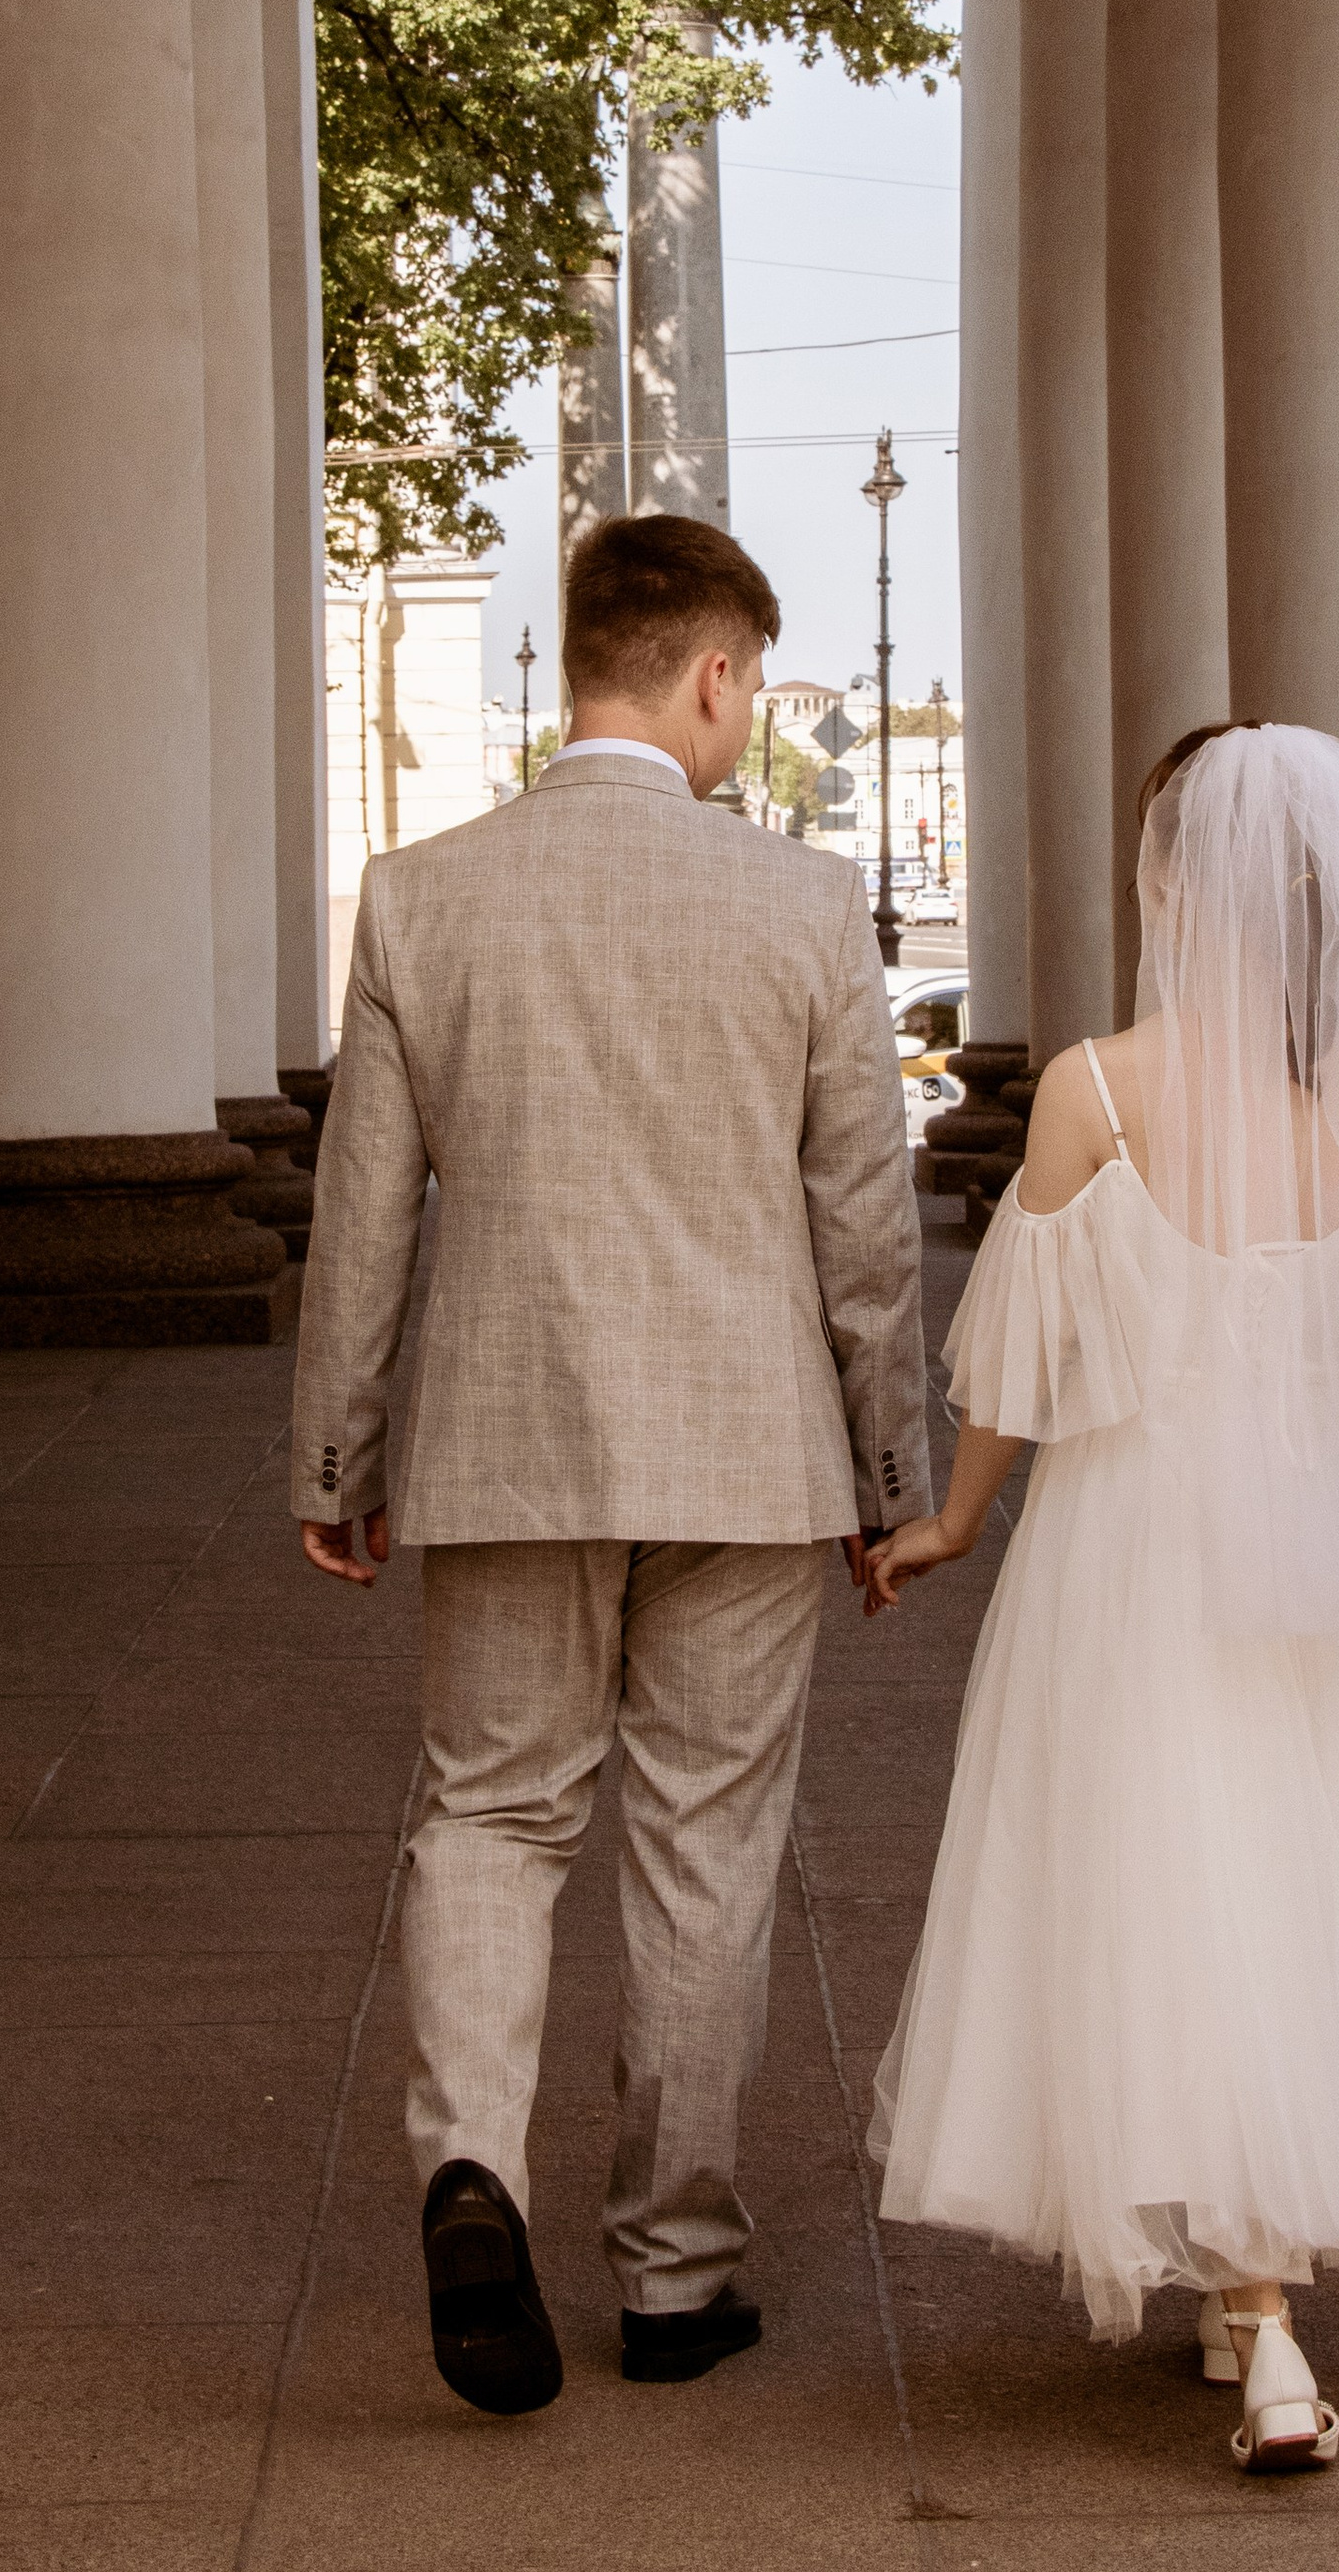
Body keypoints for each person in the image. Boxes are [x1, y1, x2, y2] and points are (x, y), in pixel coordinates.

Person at [864, 722, 1339, 2478]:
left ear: (1163, 881)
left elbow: (1028, 1373)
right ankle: (1245, 2280)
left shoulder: (1094, 1092)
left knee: (1177, 1882)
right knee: (1317, 1880)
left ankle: (1266, 2321)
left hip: (1142, 1542)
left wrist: (955, 1524)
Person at [293, 511, 930, 2418]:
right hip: (750, 1451)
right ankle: (676, 2267)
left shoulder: (419, 896)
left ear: (578, 656)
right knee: (703, 1839)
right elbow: (865, 1228)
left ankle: (472, 2162)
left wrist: (343, 1443)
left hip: (504, 1435)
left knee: (492, 1811)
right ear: (716, 673)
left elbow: (363, 1217)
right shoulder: (806, 906)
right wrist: (896, 1476)